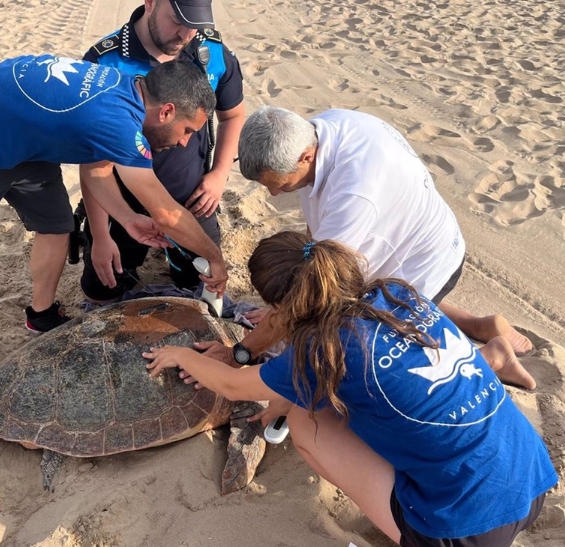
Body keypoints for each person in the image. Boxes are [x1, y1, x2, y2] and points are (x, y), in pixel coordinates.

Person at [144, 232, 557, 547]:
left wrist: (183, 357)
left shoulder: (322, 349)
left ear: (283, 308)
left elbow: (233, 386)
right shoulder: (394, 292)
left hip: (465, 533)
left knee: (306, 424)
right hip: (532, 479)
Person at [0, 55, 228, 400]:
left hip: (25, 144)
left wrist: (127, 220)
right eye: (188, 130)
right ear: (167, 111)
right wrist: (214, 258)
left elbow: (97, 172)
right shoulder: (116, 121)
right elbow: (167, 213)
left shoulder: (126, 90)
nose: (186, 142)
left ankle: (41, 314)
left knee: (57, 227)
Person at [201, 106, 534, 389]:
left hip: (429, 260)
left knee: (374, 368)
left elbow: (313, 290)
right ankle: (479, 325)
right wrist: (276, 316)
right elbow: (316, 239)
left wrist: (240, 353)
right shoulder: (319, 129)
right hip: (398, 246)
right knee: (358, 294)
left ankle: (490, 358)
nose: (274, 195)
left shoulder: (354, 193)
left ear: (306, 156)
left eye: (280, 184)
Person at [78, 0, 245, 302]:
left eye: (194, 25)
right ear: (151, 3)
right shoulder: (105, 62)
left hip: (191, 199)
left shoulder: (211, 53)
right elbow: (92, 162)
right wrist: (100, 236)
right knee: (101, 291)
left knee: (206, 294)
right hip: (122, 205)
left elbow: (232, 115)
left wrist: (219, 175)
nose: (184, 35)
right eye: (177, 21)